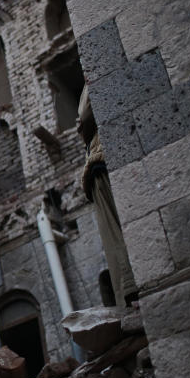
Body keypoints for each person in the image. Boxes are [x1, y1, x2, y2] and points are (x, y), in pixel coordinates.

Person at [78, 86, 138, 306]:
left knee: (114, 233)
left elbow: (84, 119)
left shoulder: (92, 81)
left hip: (100, 161)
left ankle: (130, 291)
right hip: (103, 160)